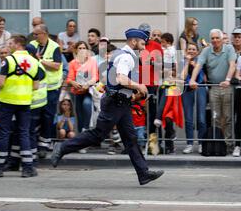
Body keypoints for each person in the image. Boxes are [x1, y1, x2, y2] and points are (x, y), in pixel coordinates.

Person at [51, 28, 164, 186]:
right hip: (115, 103)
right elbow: (121, 79)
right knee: (98, 134)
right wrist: (140, 86)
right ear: (133, 41)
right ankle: (62, 147)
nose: (144, 47)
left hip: (120, 102)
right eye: (142, 44)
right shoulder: (127, 57)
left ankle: (143, 173)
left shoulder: (119, 54)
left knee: (130, 138)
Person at [0, 35, 44, 178]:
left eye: (10, 43)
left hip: (8, 101)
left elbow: (1, 83)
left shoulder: (8, 61)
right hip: (25, 102)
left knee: (3, 133)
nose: (8, 46)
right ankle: (27, 168)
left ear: (17, 44)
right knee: (24, 133)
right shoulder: (34, 62)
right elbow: (36, 85)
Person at [190, 29, 236, 155]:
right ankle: (217, 144)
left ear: (221, 39)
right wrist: (192, 80)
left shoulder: (229, 49)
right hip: (214, 87)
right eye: (213, 38)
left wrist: (227, 80)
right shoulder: (206, 50)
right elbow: (198, 65)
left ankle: (228, 145)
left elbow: (232, 65)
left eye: (217, 38)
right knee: (215, 117)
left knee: (227, 117)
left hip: (226, 87)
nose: (215, 40)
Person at [30, 24, 63, 158]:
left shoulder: (54, 47)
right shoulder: (32, 44)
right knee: (36, 116)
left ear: (44, 33)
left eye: (36, 34)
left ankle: (45, 143)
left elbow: (56, 65)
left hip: (51, 88)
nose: (34, 36)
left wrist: (40, 60)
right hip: (37, 89)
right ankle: (35, 142)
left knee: (48, 116)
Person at [137, 24, 164, 152]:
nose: (145, 35)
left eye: (147, 33)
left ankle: (154, 144)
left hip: (152, 83)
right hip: (137, 83)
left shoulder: (156, 46)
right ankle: (138, 142)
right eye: (142, 33)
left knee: (153, 114)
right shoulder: (135, 44)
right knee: (137, 112)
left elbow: (161, 64)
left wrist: (151, 62)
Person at [66, 41, 98, 142]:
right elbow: (69, 78)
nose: (82, 50)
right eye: (79, 48)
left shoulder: (92, 61)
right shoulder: (72, 63)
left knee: (87, 104)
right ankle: (81, 139)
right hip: (77, 91)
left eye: (84, 48)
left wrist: (87, 85)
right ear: (76, 50)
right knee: (79, 115)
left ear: (87, 50)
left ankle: (86, 129)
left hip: (89, 91)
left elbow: (95, 76)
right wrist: (74, 83)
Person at [181, 43, 207, 154]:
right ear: (186, 51)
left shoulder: (201, 61)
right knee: (188, 118)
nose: (191, 51)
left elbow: (202, 77)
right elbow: (182, 77)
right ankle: (189, 144)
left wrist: (195, 64)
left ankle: (201, 143)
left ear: (197, 51)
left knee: (201, 118)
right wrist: (187, 63)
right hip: (187, 90)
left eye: (194, 49)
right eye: (189, 49)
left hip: (200, 89)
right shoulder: (182, 62)